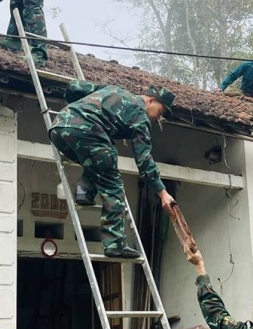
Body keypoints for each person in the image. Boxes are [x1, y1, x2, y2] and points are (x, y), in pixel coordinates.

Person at [49, 80, 176, 258]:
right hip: (88, 132)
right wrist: (162, 193)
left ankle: (83, 193)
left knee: (98, 162)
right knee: (113, 185)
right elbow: (144, 160)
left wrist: (75, 110)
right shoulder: (140, 115)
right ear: (150, 101)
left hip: (59, 128)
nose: (157, 119)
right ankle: (114, 243)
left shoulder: (113, 89)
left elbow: (74, 87)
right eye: (160, 112)